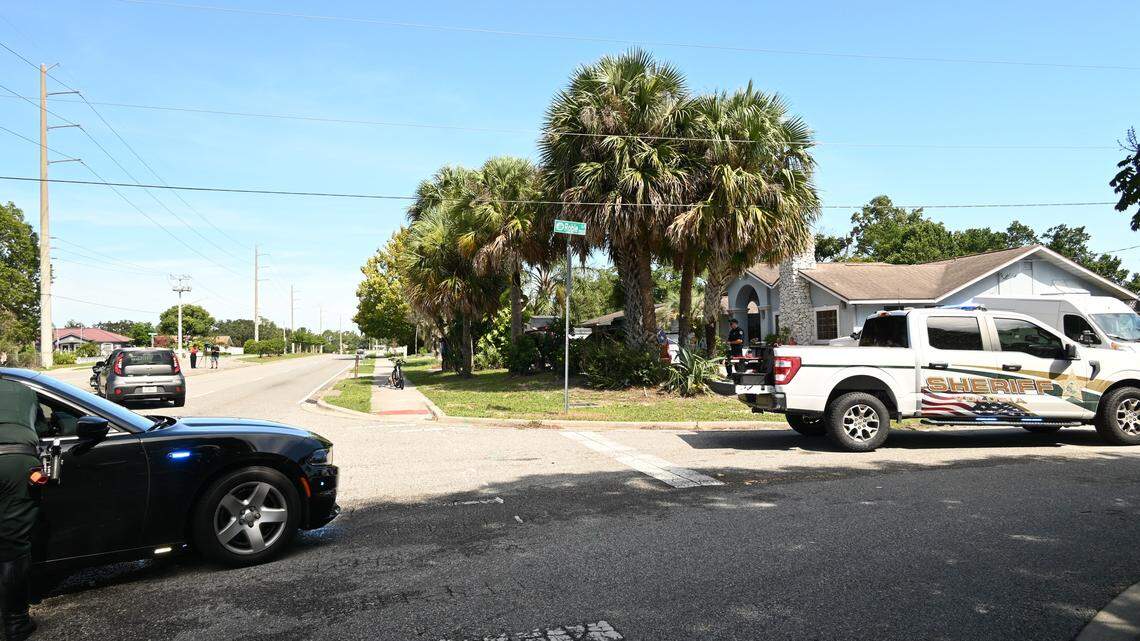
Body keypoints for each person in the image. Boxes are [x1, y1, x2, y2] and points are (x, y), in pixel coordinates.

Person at [0, 380, 42, 640]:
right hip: (14, 461)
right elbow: (44, 426)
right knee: (13, 545)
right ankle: (16, 623)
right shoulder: (22, 390)